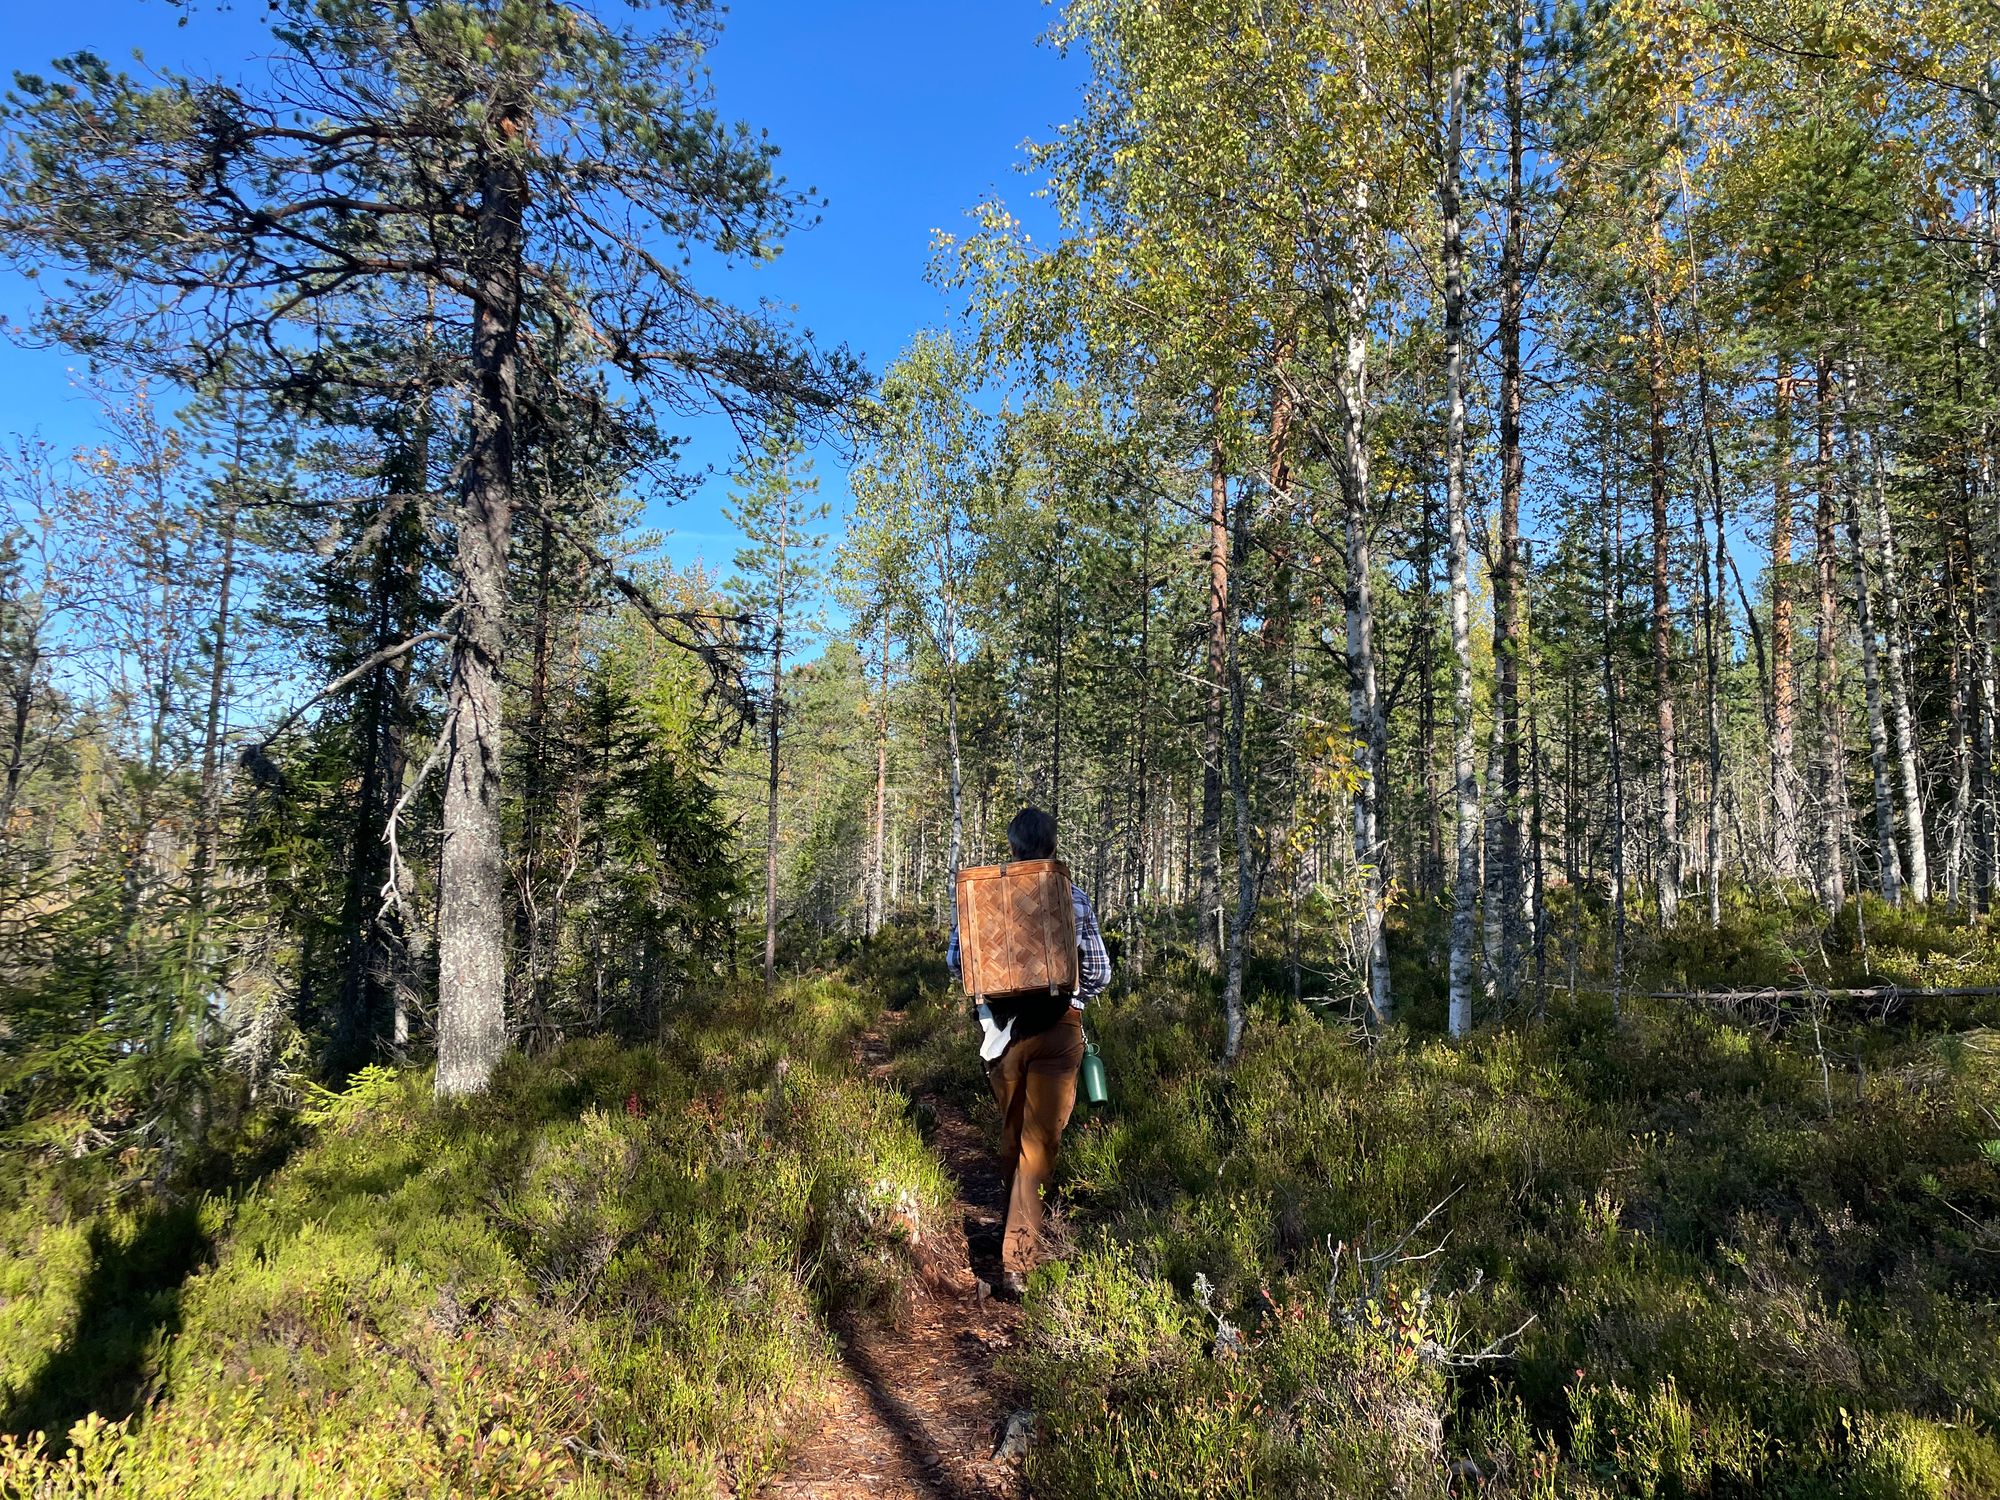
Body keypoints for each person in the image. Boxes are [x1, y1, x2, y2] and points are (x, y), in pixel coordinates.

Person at [946, 806, 1111, 1298]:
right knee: (1035, 1146)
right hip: (1061, 1030)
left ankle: (1015, 1244)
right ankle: (1017, 1256)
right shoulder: (1072, 897)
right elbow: (1100, 974)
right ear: (1052, 846)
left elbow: (959, 963)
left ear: (1014, 847)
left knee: (1015, 1138)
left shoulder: (980, 900)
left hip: (1003, 1035)